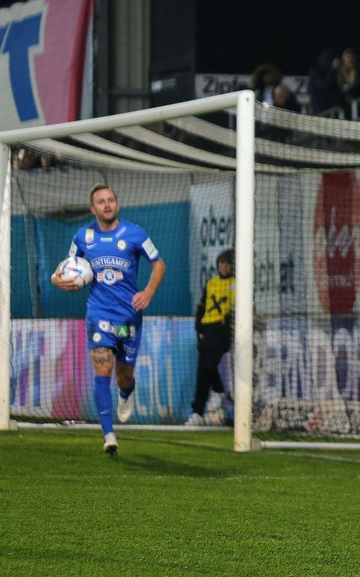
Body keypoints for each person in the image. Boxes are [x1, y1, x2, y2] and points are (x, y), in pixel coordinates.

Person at [51, 184, 166, 455]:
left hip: (129, 318)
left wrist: (148, 292)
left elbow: (158, 264)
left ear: (118, 204)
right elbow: (65, 269)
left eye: (111, 200)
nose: (107, 205)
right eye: (101, 202)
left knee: (123, 378)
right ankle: (109, 435)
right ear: (93, 209)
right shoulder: (82, 237)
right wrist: (56, 280)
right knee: (102, 371)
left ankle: (125, 395)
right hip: (99, 314)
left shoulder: (135, 233)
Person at [186, 250, 235, 427]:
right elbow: (202, 305)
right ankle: (197, 412)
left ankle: (218, 392)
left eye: (228, 264)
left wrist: (228, 322)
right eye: (221, 263)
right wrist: (199, 326)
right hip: (207, 330)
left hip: (222, 332)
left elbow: (237, 310)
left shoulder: (237, 284)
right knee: (203, 371)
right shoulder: (212, 283)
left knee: (208, 366)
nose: (224, 267)